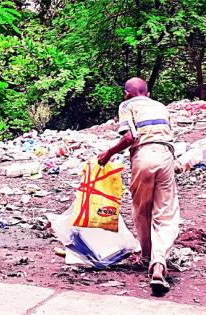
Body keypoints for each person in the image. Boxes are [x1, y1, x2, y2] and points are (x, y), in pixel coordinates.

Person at [98, 77, 180, 293]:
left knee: (142, 210)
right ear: (148, 93)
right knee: (166, 214)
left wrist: (108, 153)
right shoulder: (160, 106)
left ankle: (146, 257)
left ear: (127, 93)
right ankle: (159, 262)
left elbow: (129, 137)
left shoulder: (127, 105)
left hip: (143, 156)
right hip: (165, 156)